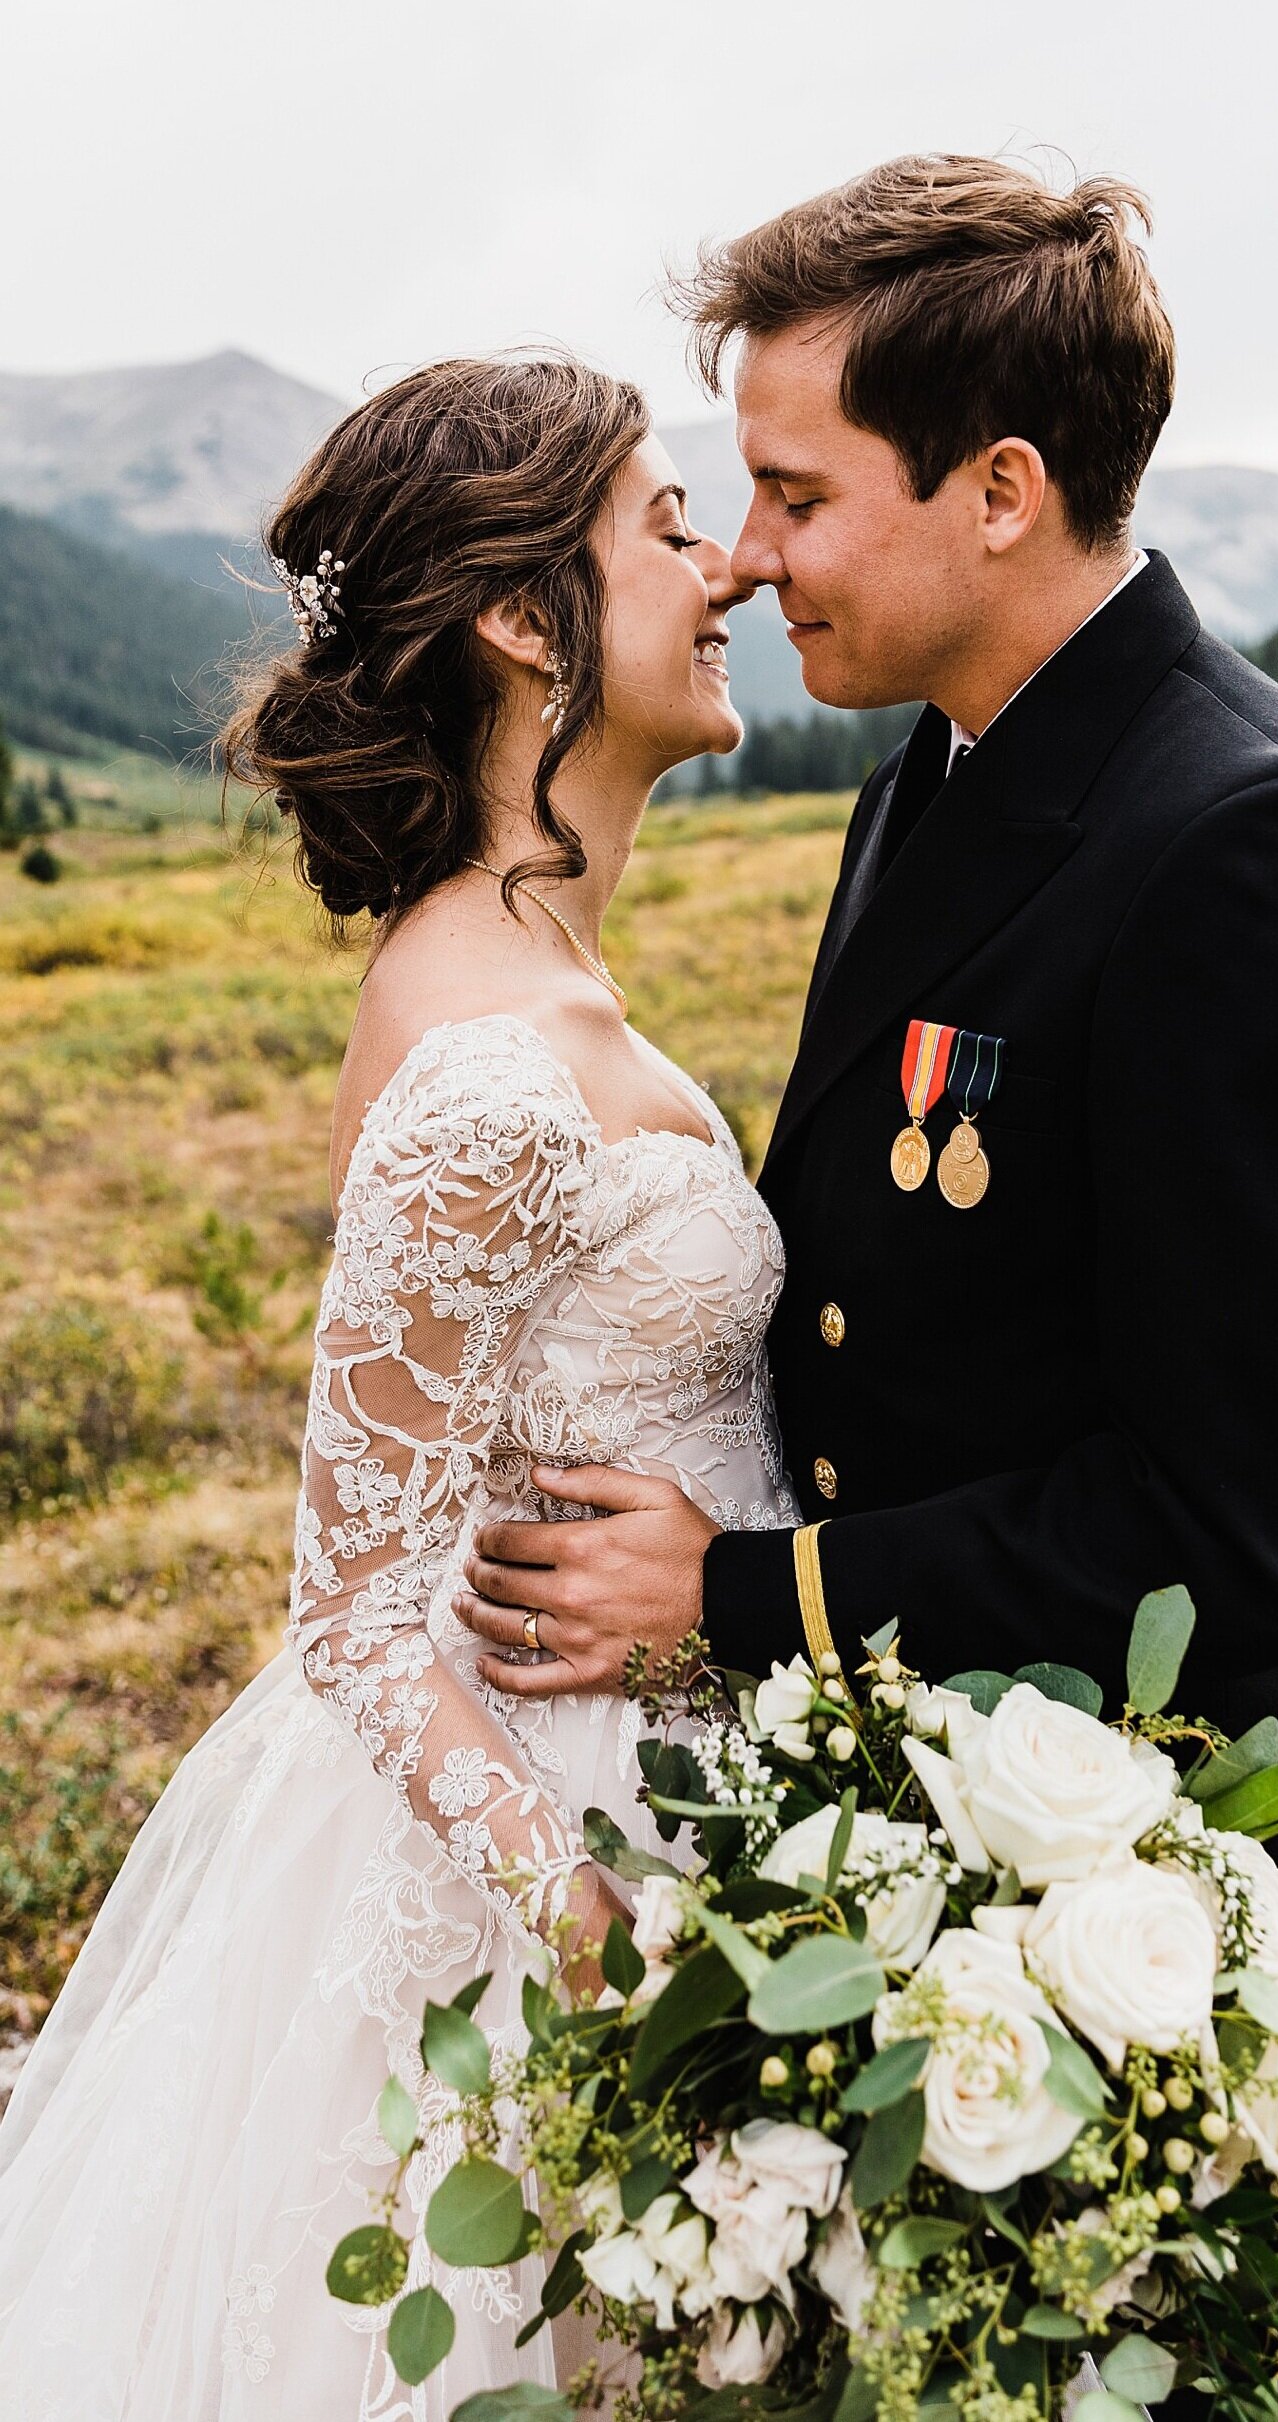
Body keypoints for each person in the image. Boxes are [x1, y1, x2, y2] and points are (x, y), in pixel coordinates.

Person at [453, 156, 1278, 2002]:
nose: (749, 556)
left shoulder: (1266, 849)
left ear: (1002, 488)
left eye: (798, 493)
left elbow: (1248, 1529)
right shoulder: (922, 785)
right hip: (904, 1848)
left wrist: (747, 1599)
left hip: (1141, 1908)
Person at [0, 352, 789, 2418]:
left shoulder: (553, 978)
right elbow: (349, 1610)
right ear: (529, 620)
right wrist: (607, 1933)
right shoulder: (487, 1062)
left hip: (664, 1761)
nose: (727, 571)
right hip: (542, 1860)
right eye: (667, 524)